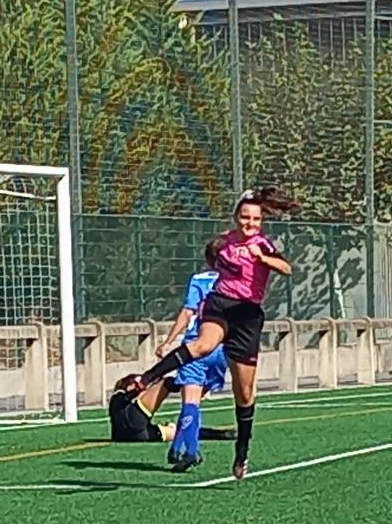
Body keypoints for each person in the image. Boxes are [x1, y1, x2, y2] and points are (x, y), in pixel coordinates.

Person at [132, 186, 298, 480]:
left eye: (255, 219)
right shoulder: (224, 244)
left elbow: (286, 268)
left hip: (247, 316)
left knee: (244, 392)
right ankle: (147, 378)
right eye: (245, 217)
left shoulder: (263, 244)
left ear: (261, 222)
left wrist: (262, 258)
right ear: (236, 218)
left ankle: (242, 451)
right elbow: (212, 268)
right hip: (221, 305)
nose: (250, 223)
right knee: (202, 346)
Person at [158, 234, 231, 472]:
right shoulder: (236, 282)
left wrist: (169, 341)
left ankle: (190, 451)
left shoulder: (199, 280)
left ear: (208, 260)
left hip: (196, 345)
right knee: (194, 402)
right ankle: (176, 448)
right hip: (221, 348)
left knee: (190, 402)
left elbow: (187, 312)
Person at [107, 373, 235, 444]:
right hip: (131, 422)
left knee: (183, 431)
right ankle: (192, 387)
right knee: (166, 382)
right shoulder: (118, 397)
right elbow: (126, 397)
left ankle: (221, 434)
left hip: (134, 436)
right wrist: (141, 385)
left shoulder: (121, 401)